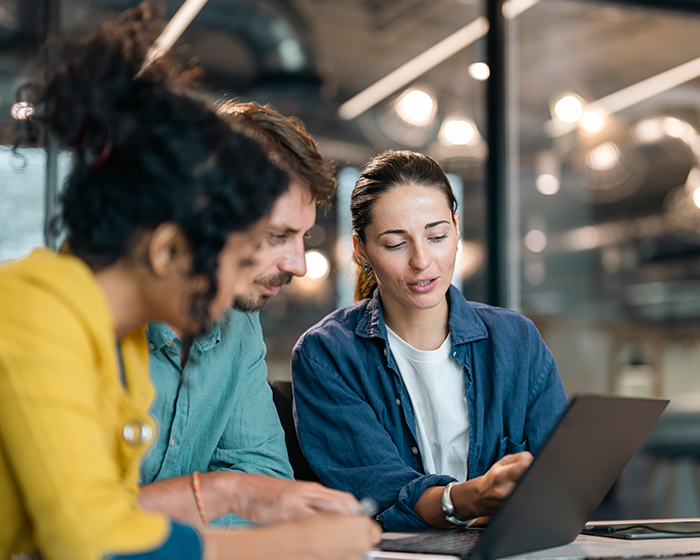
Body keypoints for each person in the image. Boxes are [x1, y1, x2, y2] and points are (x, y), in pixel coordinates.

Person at [0, 5, 377, 560]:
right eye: (235, 255)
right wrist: (294, 546)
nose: (233, 289)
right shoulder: (35, 312)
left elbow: (116, 514)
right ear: (167, 248)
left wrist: (239, 495)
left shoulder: (119, 339)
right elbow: (90, 541)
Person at [291, 150, 568, 532]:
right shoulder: (327, 354)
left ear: (456, 230)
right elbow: (378, 495)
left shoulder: (517, 341)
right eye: (394, 244)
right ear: (362, 250)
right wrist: (470, 500)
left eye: (437, 236)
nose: (422, 261)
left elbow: (560, 483)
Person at [138, 101, 357, 527]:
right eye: (278, 235)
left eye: (303, 236)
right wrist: (224, 494)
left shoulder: (238, 324)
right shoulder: (82, 323)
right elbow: (83, 526)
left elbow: (267, 482)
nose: (299, 264)